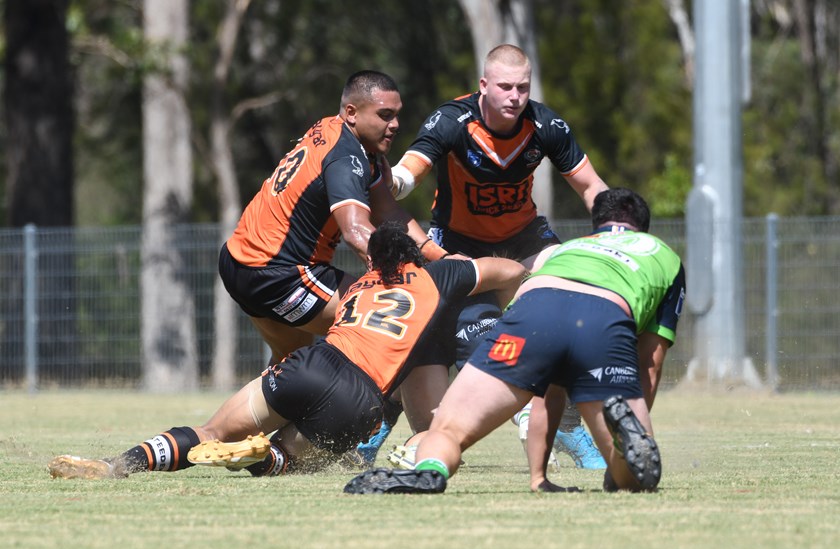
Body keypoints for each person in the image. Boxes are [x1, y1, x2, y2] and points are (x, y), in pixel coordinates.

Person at [48, 222, 527, 480]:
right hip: (360, 401)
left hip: (314, 363)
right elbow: (503, 270)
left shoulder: (358, 285)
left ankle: (120, 464)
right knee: (290, 460)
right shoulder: (436, 276)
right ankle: (263, 458)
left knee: (211, 428)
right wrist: (493, 284)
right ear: (411, 257)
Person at [344, 188, 686, 494]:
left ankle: (430, 471)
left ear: (597, 226)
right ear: (643, 226)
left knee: (447, 430)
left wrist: (538, 477)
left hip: (533, 310)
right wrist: (639, 420)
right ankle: (624, 453)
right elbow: (650, 364)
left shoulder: (571, 249)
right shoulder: (662, 255)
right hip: (603, 318)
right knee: (633, 476)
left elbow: (545, 392)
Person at [374, 43, 609, 469]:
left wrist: (616, 228)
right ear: (484, 86)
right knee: (443, 337)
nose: (515, 96)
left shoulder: (546, 124)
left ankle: (568, 430)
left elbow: (592, 187)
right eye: (504, 87)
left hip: (525, 238)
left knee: (571, 307)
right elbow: (411, 169)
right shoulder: (453, 119)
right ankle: (379, 421)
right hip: (458, 244)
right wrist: (387, 182)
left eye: (522, 87)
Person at [219, 70, 448, 370]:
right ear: (352, 113)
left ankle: (218, 421)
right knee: (398, 325)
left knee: (290, 365)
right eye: (384, 115)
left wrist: (442, 257)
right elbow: (356, 232)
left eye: (396, 115)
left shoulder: (339, 132)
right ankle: (383, 415)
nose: (394, 125)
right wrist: (408, 276)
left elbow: (389, 212)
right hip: (280, 275)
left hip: (239, 262)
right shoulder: (346, 157)